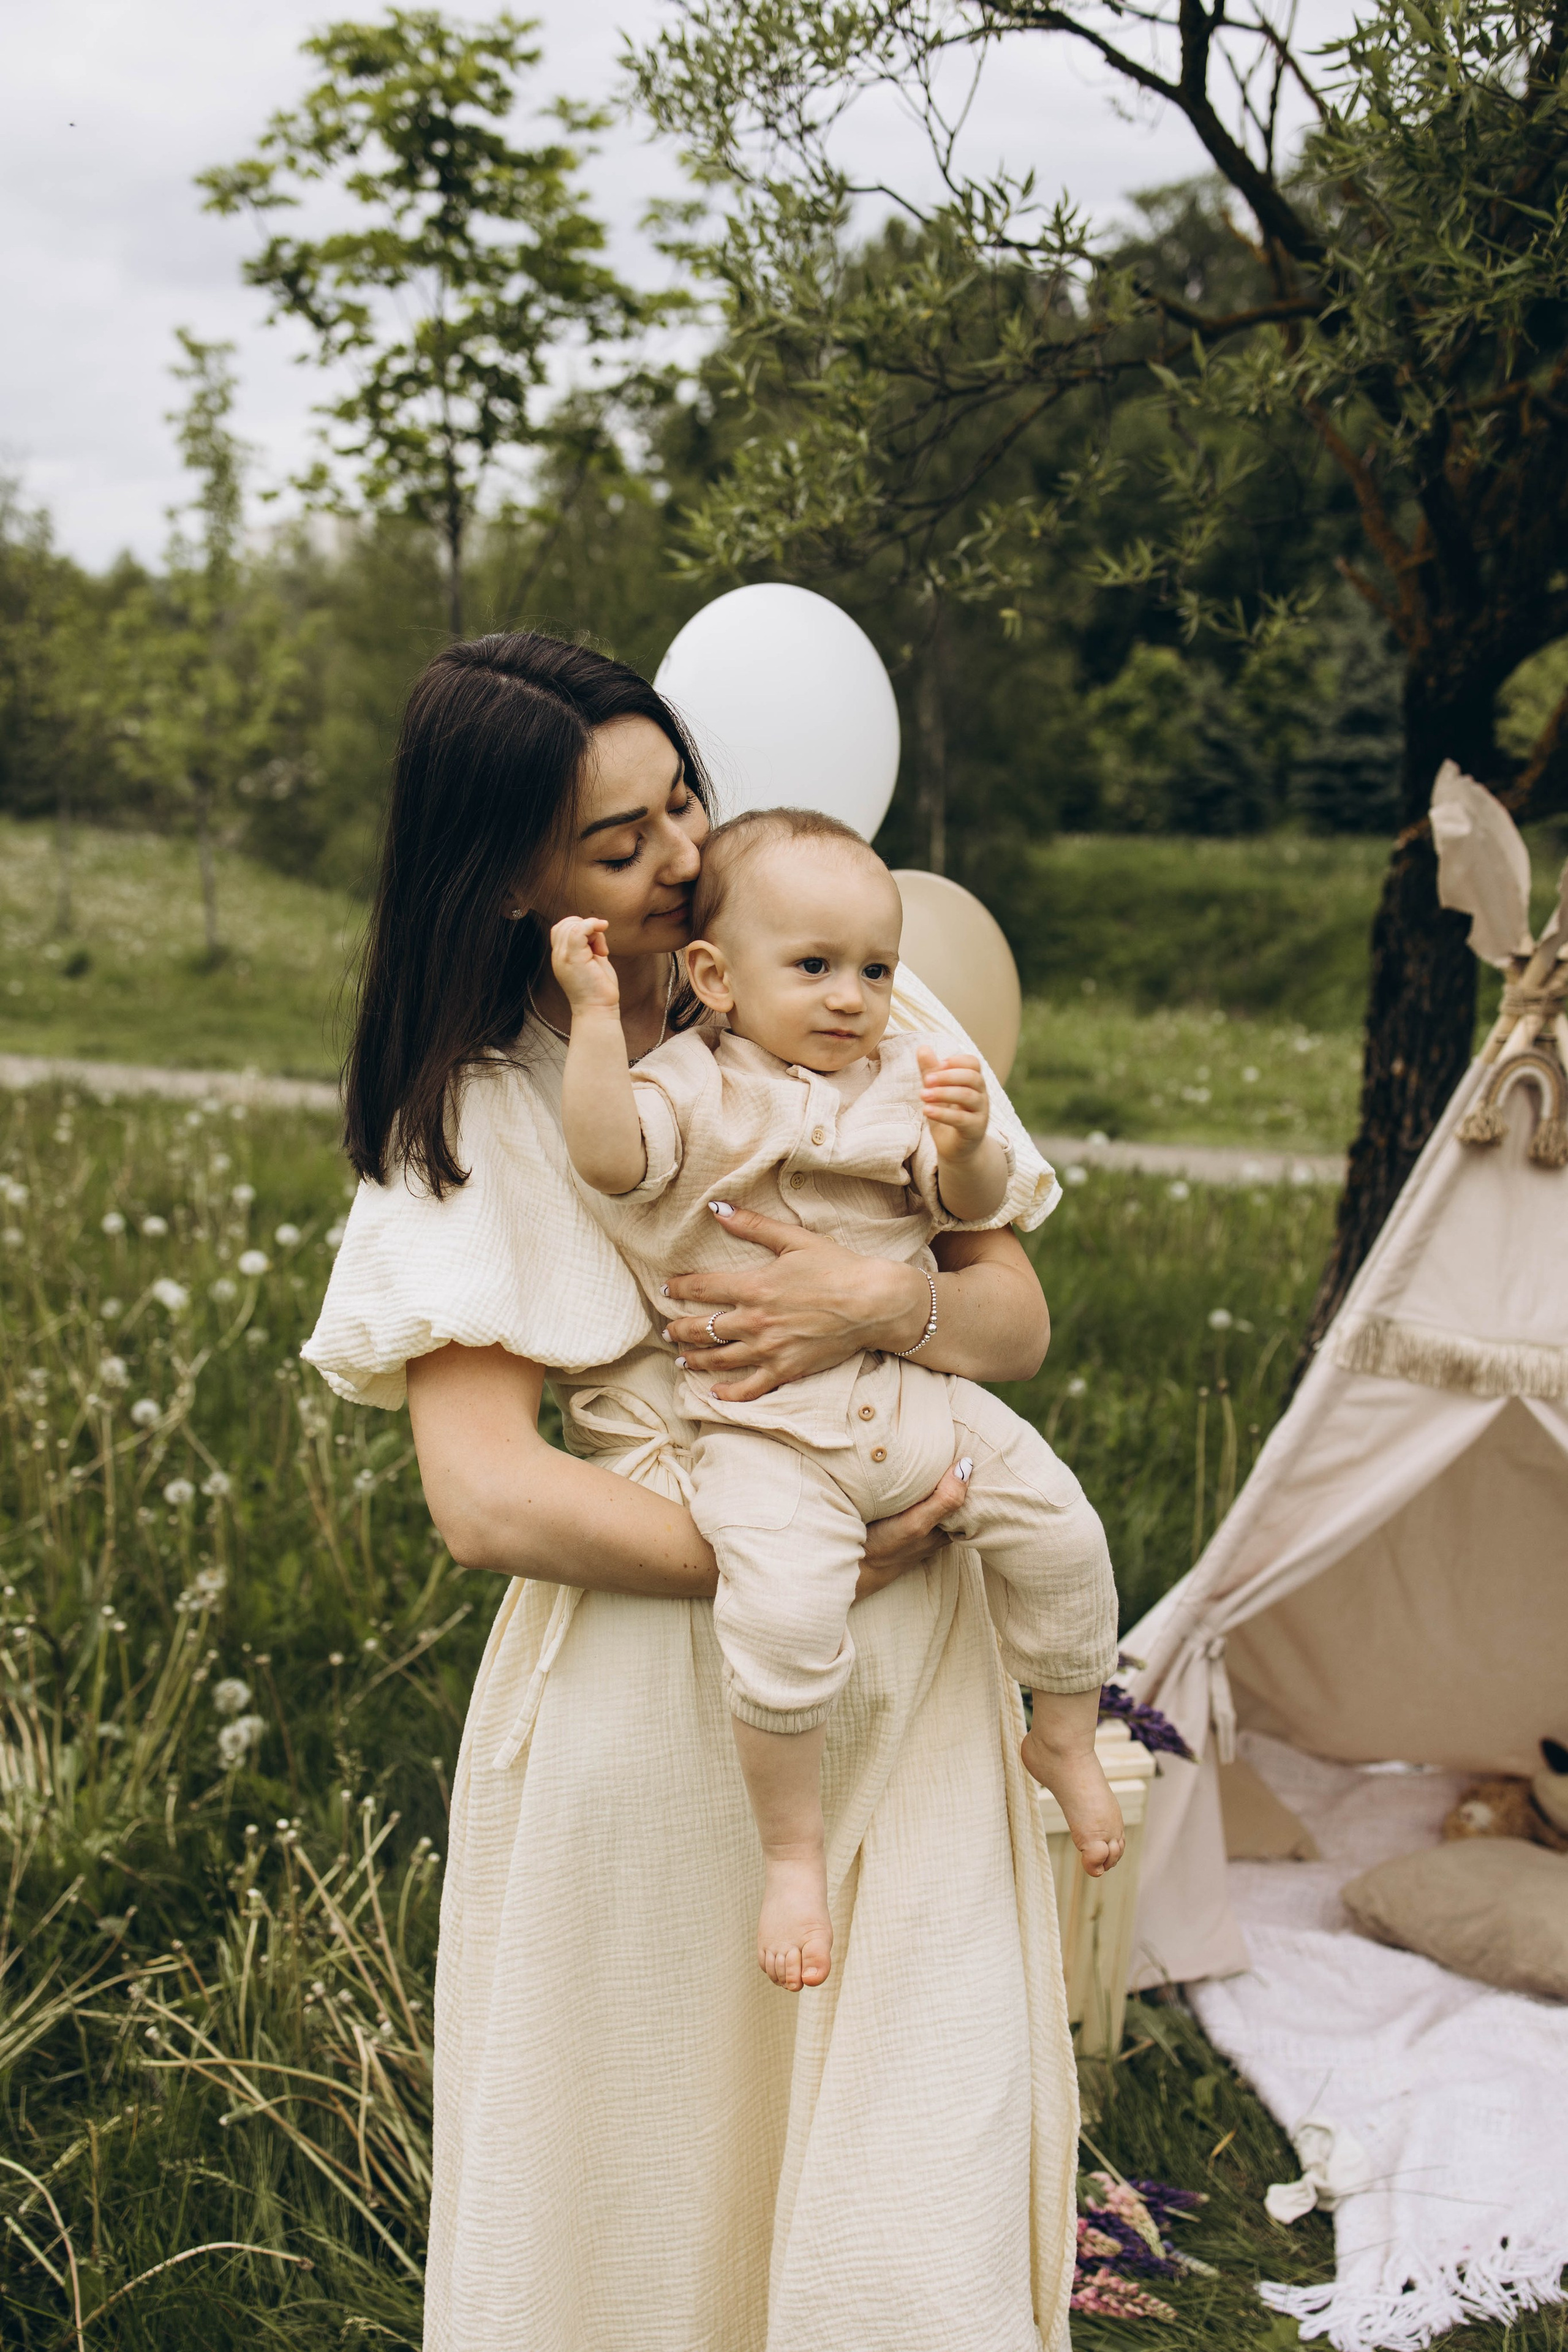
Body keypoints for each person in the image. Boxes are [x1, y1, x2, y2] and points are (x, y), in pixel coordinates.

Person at [303, 630, 1090, 2352]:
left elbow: (1013, 1315)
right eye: (619, 844)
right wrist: (809, 1555)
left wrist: (889, 1303)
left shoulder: (833, 969)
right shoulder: (484, 1101)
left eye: (683, 801)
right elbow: (488, 1499)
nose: (680, 859)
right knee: (661, 2202)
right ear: (514, 882)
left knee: (919, 2179)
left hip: (927, 1667)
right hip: (676, 1694)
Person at [548, 805, 1122, 1994]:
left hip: (914, 1400)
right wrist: (596, 1022)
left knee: (1061, 1529)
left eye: (874, 969)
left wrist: (962, 1143)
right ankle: (792, 1853)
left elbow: (964, 1210)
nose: (851, 996)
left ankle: (1063, 1728)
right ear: (714, 975)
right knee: (783, 1627)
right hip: (764, 1432)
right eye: (813, 968)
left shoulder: (903, 1077)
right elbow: (607, 1156)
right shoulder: (692, 1085)